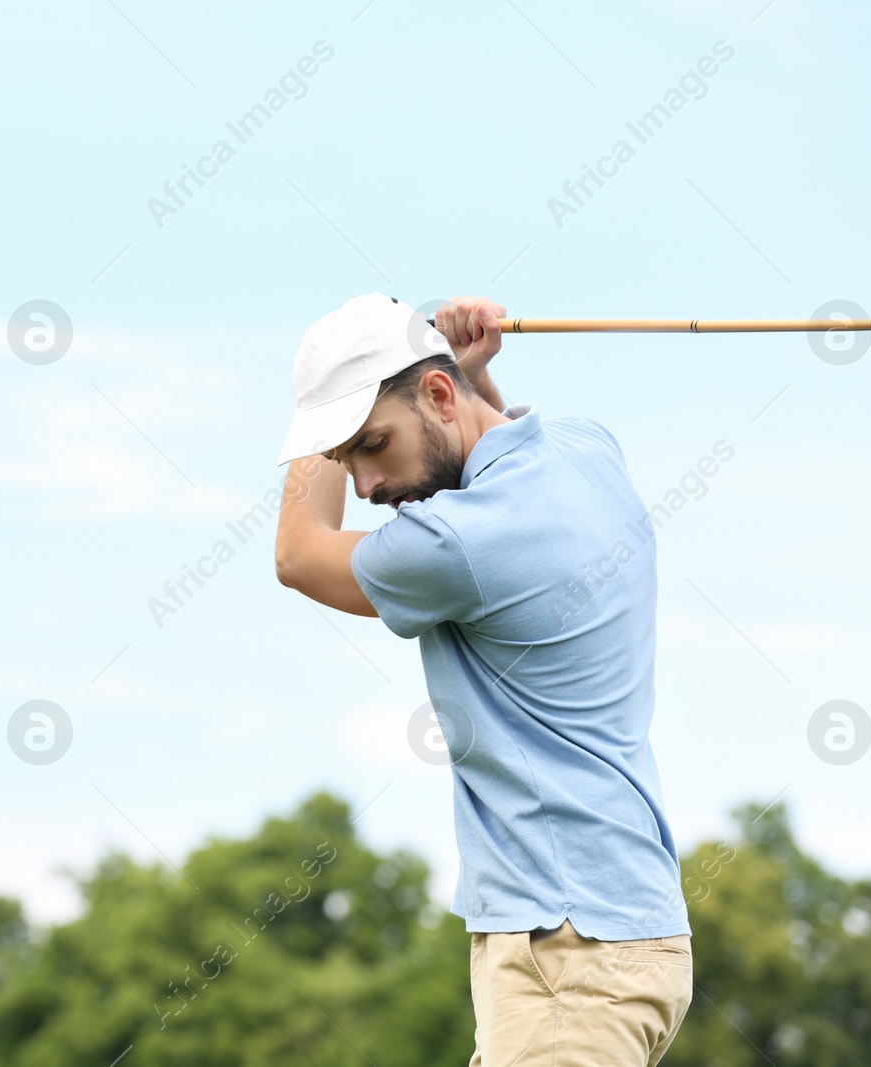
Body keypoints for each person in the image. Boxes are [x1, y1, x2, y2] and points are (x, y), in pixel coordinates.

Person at [273, 293, 693, 1066]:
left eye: (370, 444)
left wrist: (320, 412)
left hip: (568, 950)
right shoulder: (590, 451)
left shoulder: (453, 545)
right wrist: (467, 380)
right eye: (344, 461)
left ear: (435, 397)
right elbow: (487, 448)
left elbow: (300, 553)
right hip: (622, 930)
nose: (365, 483)